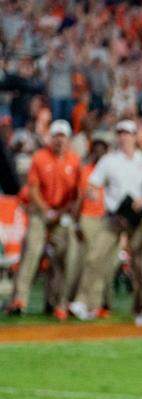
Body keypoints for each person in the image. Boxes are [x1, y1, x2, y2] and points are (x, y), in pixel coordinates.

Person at [7, 119, 80, 317]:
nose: (59, 141)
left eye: (62, 137)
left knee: (66, 253)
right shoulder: (40, 157)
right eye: (56, 136)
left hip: (62, 213)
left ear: (68, 139)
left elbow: (76, 194)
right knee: (32, 248)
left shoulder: (74, 160)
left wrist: (64, 212)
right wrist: (46, 210)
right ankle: (19, 299)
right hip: (41, 211)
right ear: (51, 138)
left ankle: (56, 301)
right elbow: (33, 188)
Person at [87, 120, 142, 326]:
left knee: (139, 265)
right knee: (95, 257)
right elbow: (93, 184)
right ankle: (92, 305)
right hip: (115, 216)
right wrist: (93, 194)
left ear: (135, 136)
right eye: (121, 134)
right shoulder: (109, 160)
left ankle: (140, 309)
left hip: (138, 217)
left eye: (128, 134)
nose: (124, 137)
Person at [68, 132, 115, 320]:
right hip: (88, 217)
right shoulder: (86, 169)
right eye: (96, 146)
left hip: (107, 218)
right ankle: (89, 303)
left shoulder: (112, 169)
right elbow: (79, 197)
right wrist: (77, 220)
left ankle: (97, 303)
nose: (99, 150)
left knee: (104, 262)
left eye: (103, 146)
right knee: (92, 260)